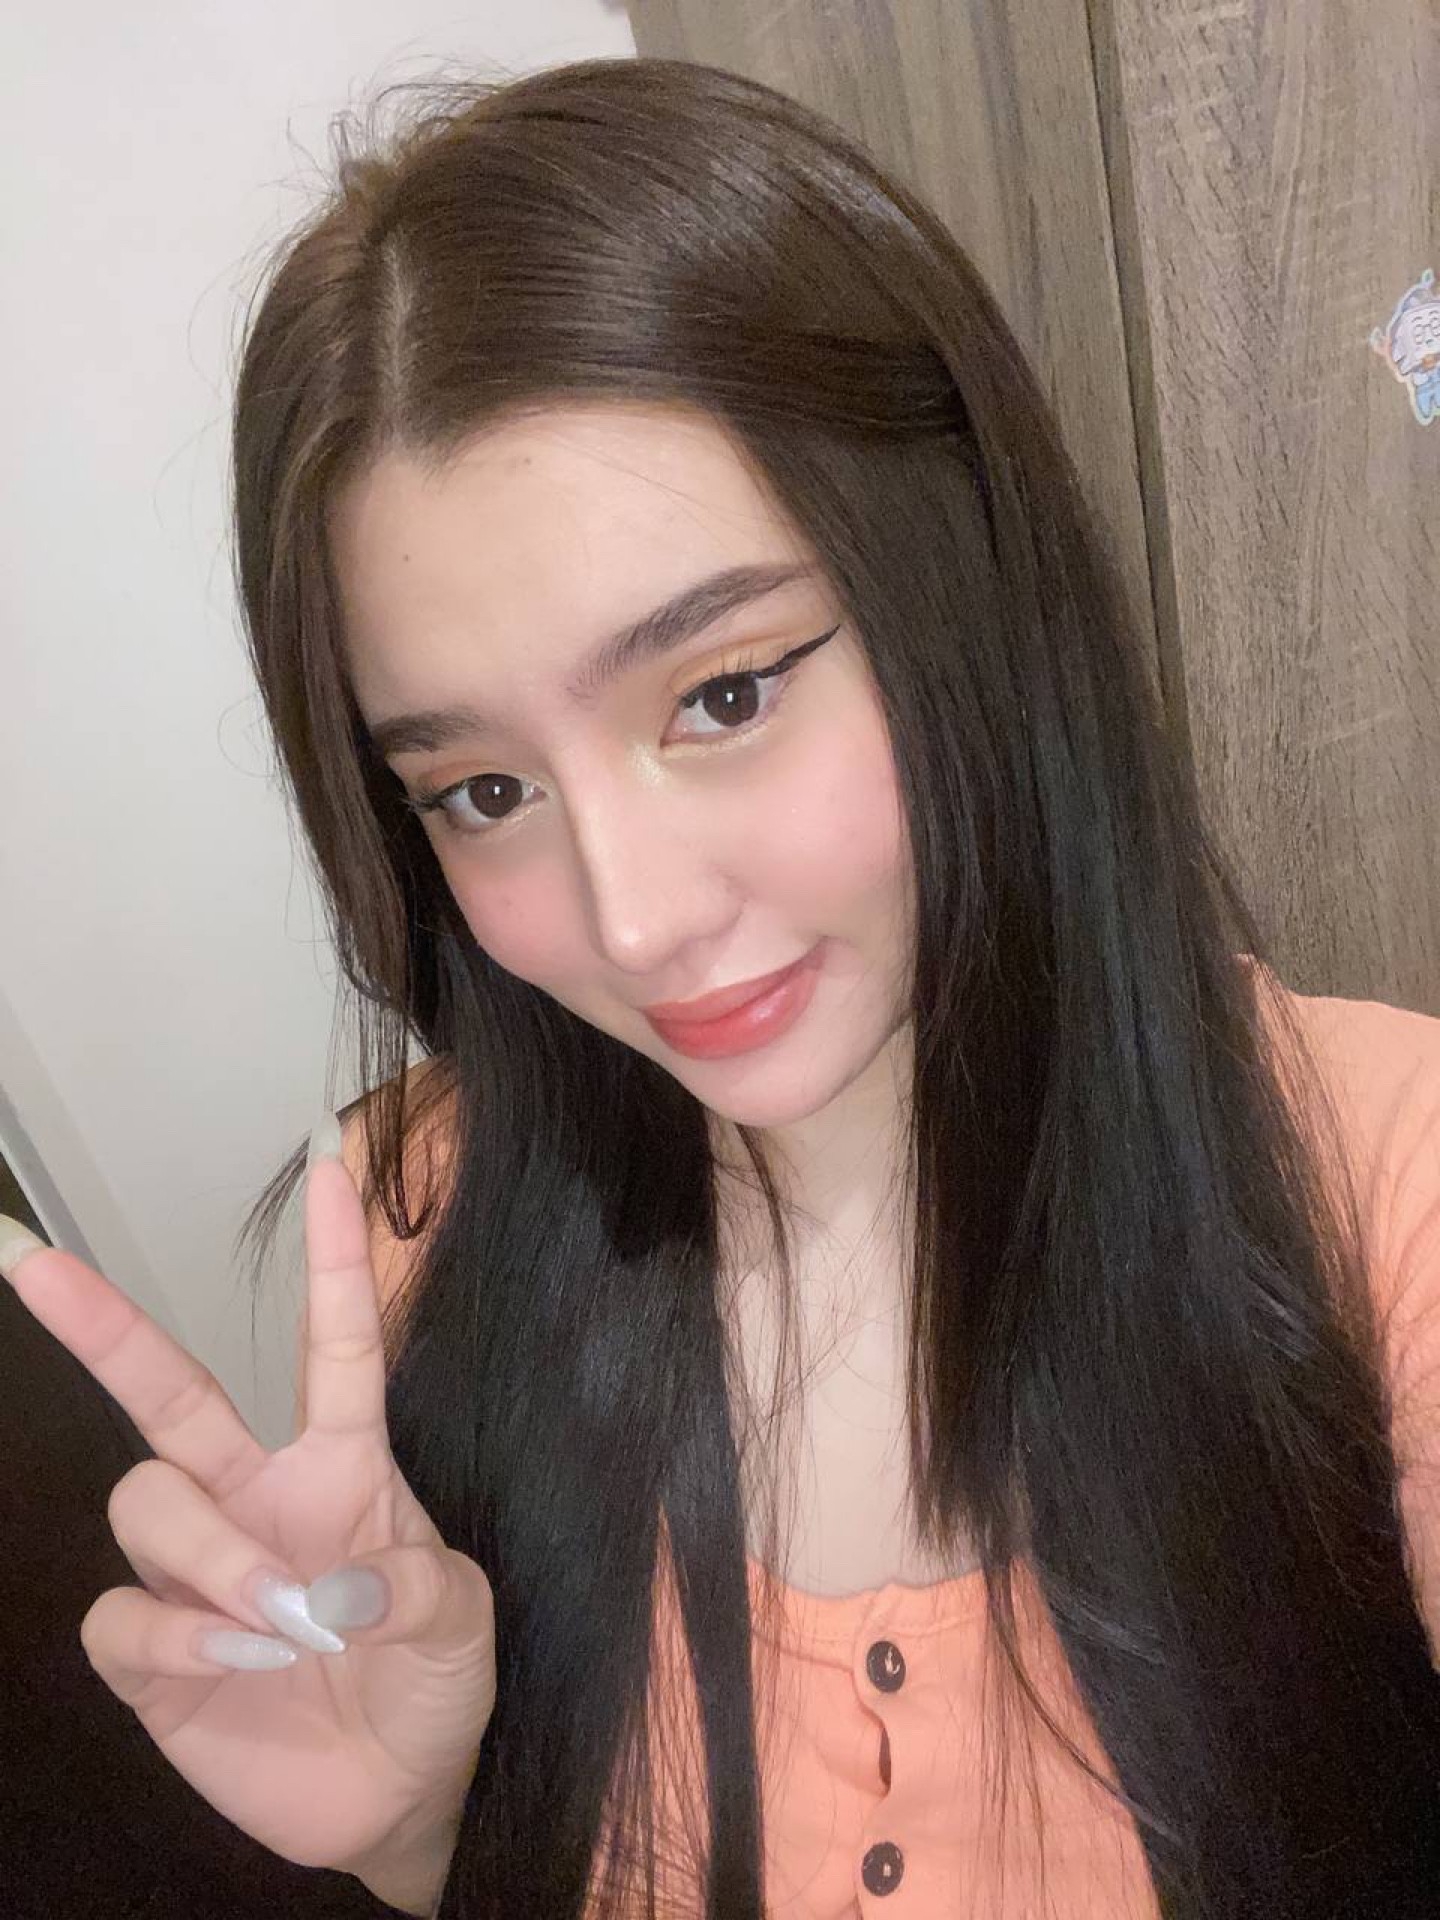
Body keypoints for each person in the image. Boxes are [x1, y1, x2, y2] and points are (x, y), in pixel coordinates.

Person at [3, 52, 1440, 1920]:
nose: (636, 922)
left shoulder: (1389, 1185)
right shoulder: (434, 1211)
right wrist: (420, 1830)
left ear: (971, 589)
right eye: (483, 792)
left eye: (726, 693)